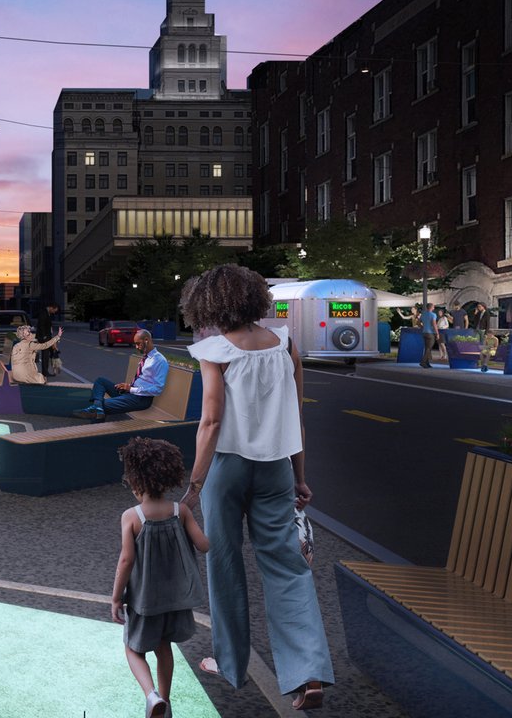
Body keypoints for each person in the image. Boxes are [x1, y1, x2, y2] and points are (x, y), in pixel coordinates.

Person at [182, 265, 332, 709]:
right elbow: (297, 418)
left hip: (227, 469)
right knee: (288, 568)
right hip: (276, 469)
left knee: (224, 567)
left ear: (208, 305)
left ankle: (229, 665)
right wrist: (300, 476)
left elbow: (210, 421)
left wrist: (194, 487)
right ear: (254, 300)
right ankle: (307, 673)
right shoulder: (285, 344)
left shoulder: (215, 350)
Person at [110, 437, 209, 718]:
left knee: (133, 648)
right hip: (176, 599)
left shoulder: (132, 516)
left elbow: (126, 560)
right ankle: (165, 703)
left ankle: (151, 696)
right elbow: (204, 545)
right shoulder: (181, 511)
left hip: (144, 600)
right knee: (164, 647)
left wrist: (117, 598)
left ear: (134, 480)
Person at [77, 329, 167, 421]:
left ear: (146, 340)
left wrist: (131, 389)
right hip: (130, 393)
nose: (136, 347)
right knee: (100, 381)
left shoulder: (159, 361)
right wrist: (127, 386)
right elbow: (142, 379)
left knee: (103, 406)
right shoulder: (146, 357)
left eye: (138, 343)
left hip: (140, 399)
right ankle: (98, 406)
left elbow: (157, 389)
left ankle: (98, 413)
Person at [36, 303, 60, 378]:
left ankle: (46, 371)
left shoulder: (47, 313)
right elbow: (41, 326)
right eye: (54, 311)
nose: (54, 312)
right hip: (44, 338)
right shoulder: (43, 313)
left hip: (48, 337)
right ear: (51, 308)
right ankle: (45, 373)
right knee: (45, 355)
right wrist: (44, 337)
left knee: (49, 354)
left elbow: (48, 326)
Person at [417, 304, 438, 369]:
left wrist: (423, 327)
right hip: (430, 333)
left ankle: (427, 363)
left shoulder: (423, 314)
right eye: (433, 306)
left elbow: (418, 323)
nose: (434, 307)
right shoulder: (433, 315)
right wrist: (437, 333)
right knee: (429, 348)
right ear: (431, 307)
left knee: (427, 348)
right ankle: (423, 362)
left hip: (424, 333)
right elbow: (434, 324)